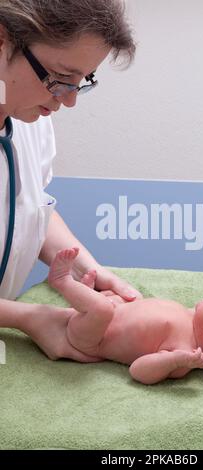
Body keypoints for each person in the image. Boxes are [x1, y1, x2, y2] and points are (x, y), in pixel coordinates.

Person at [0, 0, 142, 363]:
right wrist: (27, 318)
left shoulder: (31, 125)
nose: (70, 101)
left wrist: (88, 269)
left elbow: (29, 208)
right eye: (60, 79)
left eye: (82, 81)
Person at [47, 247, 203, 384]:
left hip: (90, 338)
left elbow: (138, 371)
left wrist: (174, 360)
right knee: (120, 299)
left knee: (103, 309)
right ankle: (86, 299)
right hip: (103, 316)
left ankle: (63, 282)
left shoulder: (183, 355)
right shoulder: (191, 317)